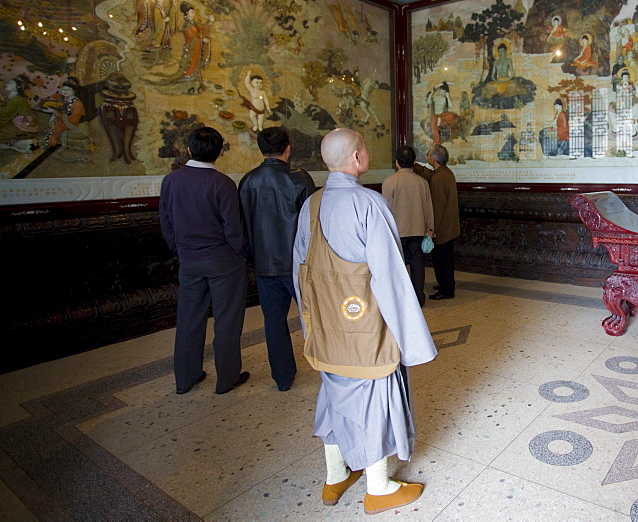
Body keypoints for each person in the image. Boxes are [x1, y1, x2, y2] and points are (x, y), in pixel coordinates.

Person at [292, 128, 437, 513]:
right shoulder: (368, 203)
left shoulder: (313, 204)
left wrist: (310, 325)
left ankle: (336, 475)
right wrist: (412, 340)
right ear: (357, 158)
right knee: (373, 397)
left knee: (334, 392)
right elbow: (390, 277)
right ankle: (378, 488)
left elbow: (299, 273)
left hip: (326, 324)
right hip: (364, 327)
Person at [159, 127, 250, 395]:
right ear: (220, 152)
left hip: (189, 259)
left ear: (188, 150)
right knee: (227, 320)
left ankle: (186, 378)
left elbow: (166, 222)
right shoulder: (222, 183)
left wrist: (178, 250)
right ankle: (227, 379)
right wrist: (242, 253)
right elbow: (233, 228)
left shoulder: (171, 181)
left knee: (189, 319)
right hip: (223, 261)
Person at [238, 127, 316, 391]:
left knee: (273, 321)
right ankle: (328, 366)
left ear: (261, 149)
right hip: (297, 262)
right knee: (314, 315)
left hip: (264, 263)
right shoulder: (300, 178)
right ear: (288, 148)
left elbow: (244, 225)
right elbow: (311, 222)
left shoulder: (248, 181)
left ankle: (282, 378)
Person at [381, 144, 435, 306]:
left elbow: (386, 210)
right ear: (413, 162)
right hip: (418, 231)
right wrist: (430, 229)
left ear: (397, 162)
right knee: (418, 267)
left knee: (397, 268)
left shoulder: (389, 182)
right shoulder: (422, 182)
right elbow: (428, 208)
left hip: (398, 233)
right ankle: (418, 298)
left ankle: (400, 300)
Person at [415, 144, 460, 300]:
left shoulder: (439, 178)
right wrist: (413, 165)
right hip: (449, 227)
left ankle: (446, 290)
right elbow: (429, 174)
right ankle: (447, 284)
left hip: (442, 229)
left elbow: (437, 207)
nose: (427, 155)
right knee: (446, 259)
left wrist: (432, 229)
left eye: (428, 154)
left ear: (433, 158)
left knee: (441, 262)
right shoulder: (445, 173)